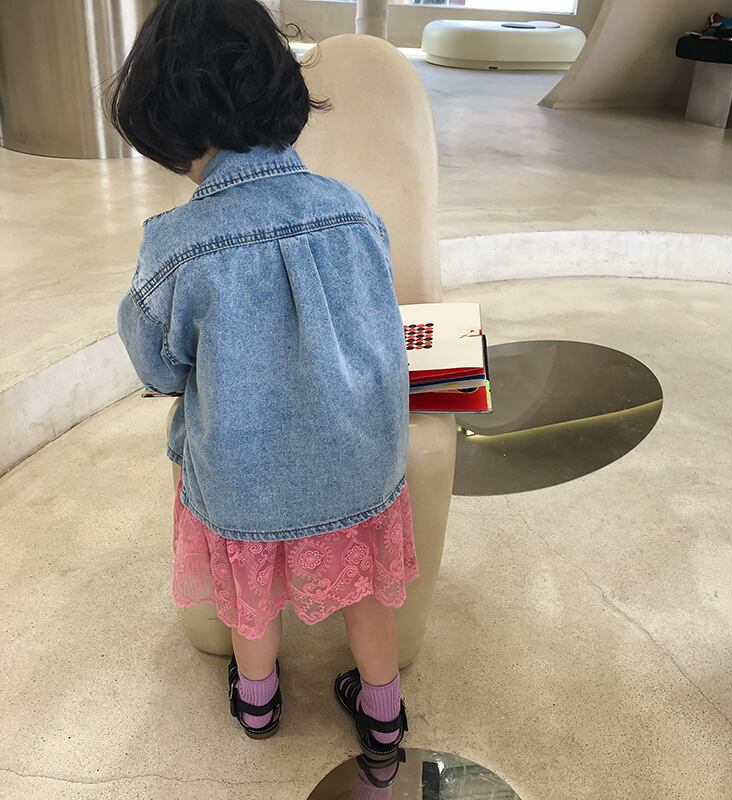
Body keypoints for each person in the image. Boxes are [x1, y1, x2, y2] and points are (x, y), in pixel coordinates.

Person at [106, 0, 415, 754]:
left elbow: (158, 367)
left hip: (247, 478)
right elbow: (380, 321)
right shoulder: (351, 209)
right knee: (367, 589)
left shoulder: (178, 244)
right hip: (363, 463)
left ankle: (257, 701)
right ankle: (382, 710)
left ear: (168, 122)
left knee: (251, 591)